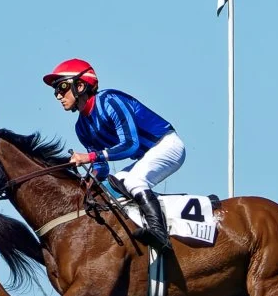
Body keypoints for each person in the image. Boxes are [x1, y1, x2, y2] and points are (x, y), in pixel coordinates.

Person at [44, 58, 184, 250]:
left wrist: (88, 158)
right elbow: (102, 168)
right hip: (145, 157)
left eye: (62, 87)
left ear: (81, 85)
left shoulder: (109, 100)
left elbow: (130, 145)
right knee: (113, 185)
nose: (58, 95)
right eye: (55, 91)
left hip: (167, 144)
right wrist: (88, 181)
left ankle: (160, 235)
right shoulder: (82, 127)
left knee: (134, 181)